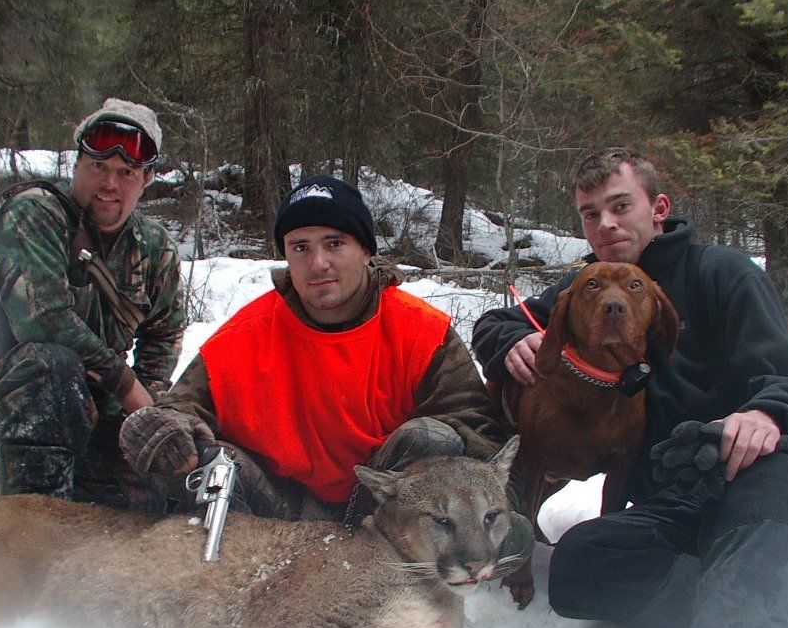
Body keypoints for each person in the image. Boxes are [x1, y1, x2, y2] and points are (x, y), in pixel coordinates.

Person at [471, 148, 788, 628]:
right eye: (589, 215)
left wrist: (765, 415)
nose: (605, 226)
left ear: (658, 209)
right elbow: (500, 320)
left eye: (620, 207)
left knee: (760, 515)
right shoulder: (590, 284)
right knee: (581, 571)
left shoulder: (723, 274)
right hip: (667, 505)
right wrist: (513, 342)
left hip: (753, 482)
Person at [119, 174, 532, 569]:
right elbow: (183, 409)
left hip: (390, 515)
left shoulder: (423, 333)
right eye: (300, 247)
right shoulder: (243, 336)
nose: (318, 263)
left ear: (366, 250)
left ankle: (414, 565)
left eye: (335, 243)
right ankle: (231, 572)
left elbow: (476, 433)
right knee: (206, 461)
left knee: (434, 439)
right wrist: (162, 429)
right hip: (279, 511)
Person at [0, 98, 186, 506]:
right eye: (98, 168)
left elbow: (163, 336)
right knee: (50, 367)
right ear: (76, 166)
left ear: (145, 180)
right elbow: (44, 323)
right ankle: (32, 521)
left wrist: (148, 413)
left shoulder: (154, 246)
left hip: (94, 402)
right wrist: (130, 389)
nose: (110, 184)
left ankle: (75, 478)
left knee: (167, 470)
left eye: (126, 173)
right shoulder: (33, 213)